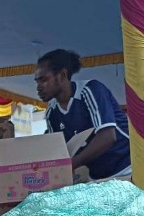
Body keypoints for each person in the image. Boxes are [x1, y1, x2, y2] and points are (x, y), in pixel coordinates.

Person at [35, 49, 131, 180]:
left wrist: (72, 164)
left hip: (128, 169)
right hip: (97, 178)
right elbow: (59, 151)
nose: (38, 87)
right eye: (37, 81)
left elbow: (107, 137)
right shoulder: (52, 112)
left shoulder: (90, 90)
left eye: (44, 79)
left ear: (62, 75)